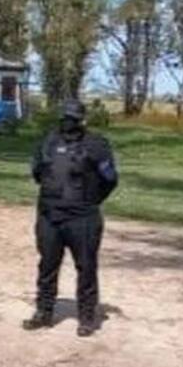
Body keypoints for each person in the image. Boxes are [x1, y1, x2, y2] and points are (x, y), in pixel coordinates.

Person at [24, 99, 118, 337]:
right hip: (50, 215)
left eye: (73, 118)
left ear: (81, 120)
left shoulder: (96, 145)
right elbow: (37, 173)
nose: (68, 122)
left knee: (86, 267)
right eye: (65, 117)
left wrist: (90, 201)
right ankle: (44, 311)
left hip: (83, 218)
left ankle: (86, 317)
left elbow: (110, 179)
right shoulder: (48, 142)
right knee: (47, 265)